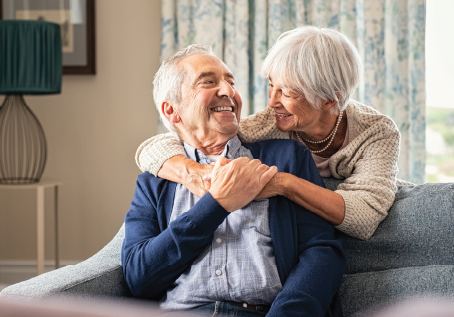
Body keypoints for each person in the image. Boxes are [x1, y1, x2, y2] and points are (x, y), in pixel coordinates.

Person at [122, 44, 345, 317]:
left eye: (231, 82)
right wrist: (216, 205)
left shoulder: (286, 158)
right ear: (172, 111)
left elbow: (322, 252)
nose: (229, 91)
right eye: (208, 82)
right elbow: (138, 278)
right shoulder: (154, 183)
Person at [135, 26, 406, 240]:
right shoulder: (269, 124)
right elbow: (156, 147)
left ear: (329, 101)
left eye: (287, 92)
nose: (272, 102)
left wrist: (282, 184)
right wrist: (195, 172)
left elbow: (364, 218)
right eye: (271, 86)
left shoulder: (377, 133)